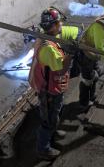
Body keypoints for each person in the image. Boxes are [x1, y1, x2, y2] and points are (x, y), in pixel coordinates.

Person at [28, 8, 74, 160]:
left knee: (56, 113)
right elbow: (60, 69)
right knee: (48, 120)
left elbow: (66, 32)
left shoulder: (48, 37)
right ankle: (43, 148)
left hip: (54, 87)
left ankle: (52, 131)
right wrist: (71, 54)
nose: (61, 24)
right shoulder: (48, 48)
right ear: (53, 25)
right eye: (59, 22)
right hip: (49, 91)